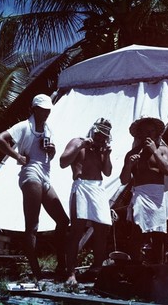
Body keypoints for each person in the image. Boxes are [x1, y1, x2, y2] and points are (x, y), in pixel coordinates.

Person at [0, 94, 70, 281]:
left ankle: (62, 265)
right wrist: (17, 156)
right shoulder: (23, 126)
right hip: (30, 173)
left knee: (62, 220)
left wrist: (52, 152)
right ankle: (36, 271)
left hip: (45, 174)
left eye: (47, 110)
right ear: (34, 109)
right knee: (32, 224)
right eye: (42, 110)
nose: (45, 113)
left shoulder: (48, 129)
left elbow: (46, 157)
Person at [59, 118, 113, 285]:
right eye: (98, 134)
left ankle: (95, 269)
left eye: (103, 136)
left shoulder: (102, 149)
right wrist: (80, 147)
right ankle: (71, 273)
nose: (99, 138)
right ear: (92, 130)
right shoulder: (78, 142)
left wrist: (107, 155)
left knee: (103, 228)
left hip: (97, 187)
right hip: (81, 185)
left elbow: (108, 172)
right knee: (77, 229)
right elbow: (62, 162)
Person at [120, 116, 168, 264]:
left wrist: (154, 151)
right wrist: (129, 166)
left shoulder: (162, 150)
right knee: (137, 231)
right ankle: (136, 267)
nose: (148, 134)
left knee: (159, 234)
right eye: (144, 132)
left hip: (158, 195)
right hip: (141, 194)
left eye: (151, 131)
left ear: (157, 133)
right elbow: (124, 180)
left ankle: (158, 268)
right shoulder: (132, 154)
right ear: (139, 134)